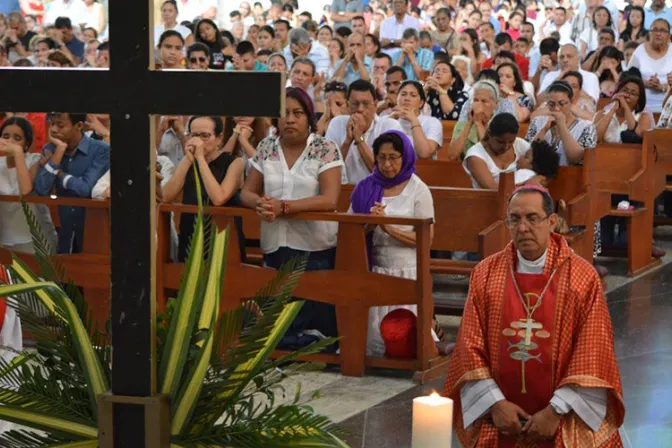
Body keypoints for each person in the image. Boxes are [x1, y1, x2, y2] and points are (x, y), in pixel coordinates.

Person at [444, 185, 624, 447]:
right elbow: (468, 347)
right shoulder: (486, 274)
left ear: (552, 222)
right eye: (514, 219)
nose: (523, 228)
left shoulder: (582, 278)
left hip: (562, 420)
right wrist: (496, 404)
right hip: (501, 418)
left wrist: (554, 412)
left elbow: (593, 354)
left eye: (532, 218)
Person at [241, 87, 343, 348]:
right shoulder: (266, 147)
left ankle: (311, 343)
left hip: (314, 249)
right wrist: (261, 204)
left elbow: (330, 200)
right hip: (276, 244)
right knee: (275, 321)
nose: (290, 119)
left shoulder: (325, 148)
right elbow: (247, 193)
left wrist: (285, 207)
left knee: (313, 322)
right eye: (284, 113)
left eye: (297, 113)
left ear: (309, 117)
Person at [349, 130, 436, 357]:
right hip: (376, 268)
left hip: (408, 270)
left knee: (409, 341)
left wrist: (388, 226)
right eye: (381, 158)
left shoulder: (418, 189)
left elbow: (426, 240)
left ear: (404, 156)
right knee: (375, 343)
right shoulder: (365, 187)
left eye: (393, 157)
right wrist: (370, 224)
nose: (387, 164)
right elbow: (350, 229)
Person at [162, 116, 244, 262]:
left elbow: (219, 198)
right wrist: (187, 160)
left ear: (218, 138)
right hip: (190, 236)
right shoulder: (188, 162)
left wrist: (200, 159)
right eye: (193, 135)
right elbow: (166, 196)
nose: (198, 141)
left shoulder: (234, 163)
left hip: (222, 238)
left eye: (204, 136)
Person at [34, 113, 109, 254]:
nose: (54, 130)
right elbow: (41, 190)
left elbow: (85, 189)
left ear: (79, 126)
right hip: (64, 229)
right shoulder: (51, 148)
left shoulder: (100, 150)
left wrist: (58, 173)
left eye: (61, 125)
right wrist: (60, 150)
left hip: (93, 231)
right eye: (52, 124)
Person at [326, 79, 402, 184]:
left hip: (380, 191)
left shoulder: (389, 126)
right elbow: (327, 171)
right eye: (355, 104)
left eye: (366, 104)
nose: (360, 109)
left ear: (375, 105)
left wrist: (359, 138)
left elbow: (385, 174)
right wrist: (347, 141)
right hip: (345, 191)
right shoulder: (337, 123)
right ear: (347, 105)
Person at [0, 117, 57, 254]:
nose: (10, 141)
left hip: (36, 239)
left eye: (17, 138)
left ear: (26, 144)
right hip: (4, 238)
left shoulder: (35, 160)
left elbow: (25, 190)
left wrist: (17, 152)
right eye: (5, 136)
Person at [526, 80, 597, 167]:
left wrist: (562, 126)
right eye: (551, 104)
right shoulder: (537, 122)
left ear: (571, 102)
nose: (557, 109)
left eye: (562, 103)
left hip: (571, 176)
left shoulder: (587, 127)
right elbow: (528, 155)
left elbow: (575, 159)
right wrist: (544, 130)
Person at [463, 113, 530, 190]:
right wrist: (526, 185)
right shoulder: (475, 156)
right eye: (500, 142)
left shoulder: (520, 144)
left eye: (511, 142)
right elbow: (493, 190)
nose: (506, 147)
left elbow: (542, 170)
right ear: (489, 134)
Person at [626, 18, 672, 113]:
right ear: (649, 33)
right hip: (642, 106)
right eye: (655, 30)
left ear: (669, 35)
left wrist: (664, 87)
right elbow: (627, 79)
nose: (658, 33)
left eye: (663, 30)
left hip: (669, 106)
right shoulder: (640, 50)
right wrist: (644, 83)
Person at [594, 75, 653, 144]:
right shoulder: (601, 114)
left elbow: (638, 135)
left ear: (639, 101)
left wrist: (625, 106)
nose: (627, 95)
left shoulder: (644, 117)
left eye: (633, 93)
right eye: (625, 90)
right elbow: (595, 139)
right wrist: (613, 110)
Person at [391, 81, 441, 160]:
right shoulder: (389, 120)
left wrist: (413, 120)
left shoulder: (432, 122)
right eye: (403, 94)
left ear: (421, 103)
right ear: (397, 99)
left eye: (413, 95)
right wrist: (390, 121)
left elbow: (424, 154)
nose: (407, 99)